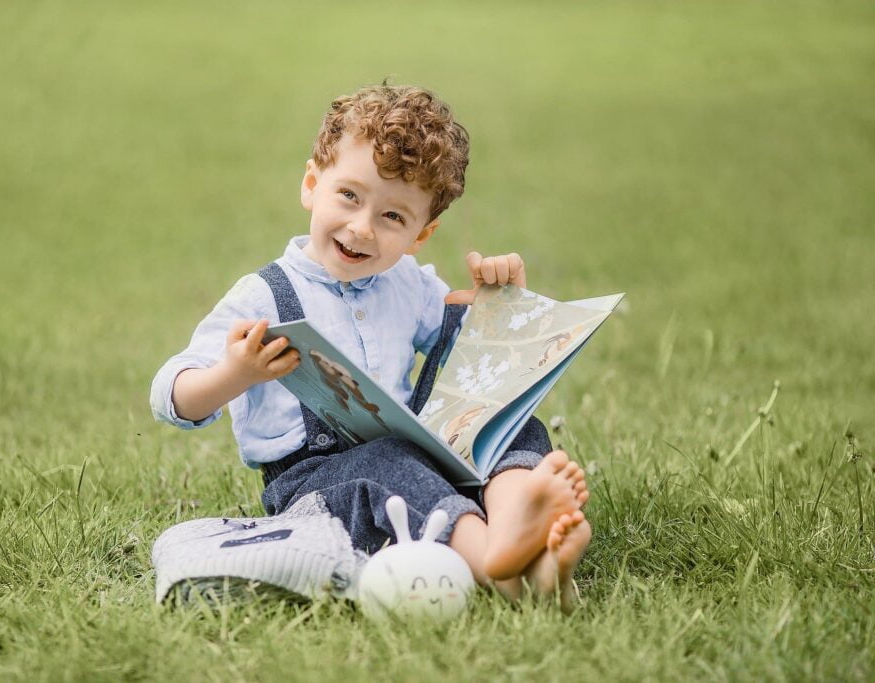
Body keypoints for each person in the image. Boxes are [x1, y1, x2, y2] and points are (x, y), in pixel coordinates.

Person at [151, 84, 591, 609]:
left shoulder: (408, 283)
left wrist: (499, 302)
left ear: (420, 235)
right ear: (312, 184)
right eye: (350, 196)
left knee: (511, 421)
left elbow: (470, 357)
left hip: (421, 458)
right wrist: (234, 374)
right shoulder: (263, 295)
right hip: (317, 484)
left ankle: (521, 518)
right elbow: (170, 396)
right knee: (388, 464)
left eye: (393, 218)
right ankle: (500, 561)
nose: (362, 228)